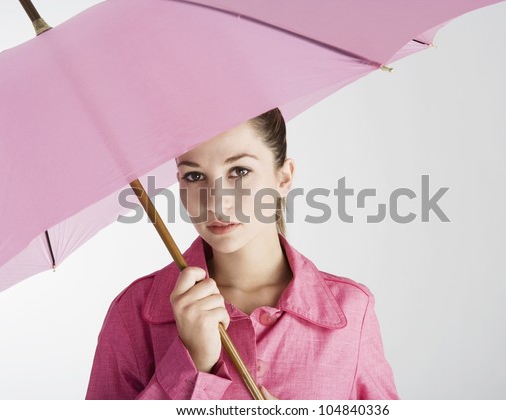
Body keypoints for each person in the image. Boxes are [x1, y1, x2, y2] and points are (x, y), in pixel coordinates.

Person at [85, 108, 399, 400]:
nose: (217, 202)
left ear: (284, 177)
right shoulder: (134, 313)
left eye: (239, 171)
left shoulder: (351, 312)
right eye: (194, 176)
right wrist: (192, 364)